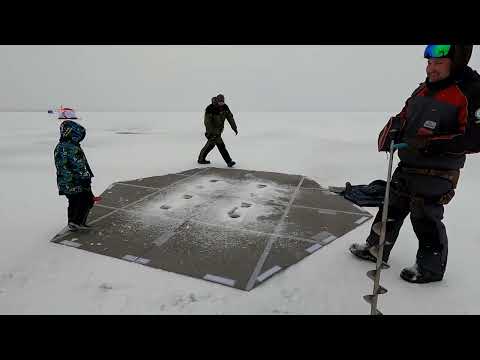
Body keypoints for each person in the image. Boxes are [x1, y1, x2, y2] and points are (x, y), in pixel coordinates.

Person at [350, 45, 480, 284]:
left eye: (438, 63)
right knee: (391, 205)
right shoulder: (423, 90)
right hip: (408, 165)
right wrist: (394, 129)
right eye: (428, 63)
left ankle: (429, 268)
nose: (430, 68)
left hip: (438, 171)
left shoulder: (470, 91)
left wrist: (430, 144)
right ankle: (375, 249)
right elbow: (403, 116)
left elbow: (475, 138)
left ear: (456, 62)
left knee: (424, 215)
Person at [54, 108, 95, 231]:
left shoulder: (60, 146)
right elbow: (79, 165)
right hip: (76, 181)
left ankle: (72, 222)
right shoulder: (72, 148)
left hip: (64, 182)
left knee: (73, 201)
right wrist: (85, 179)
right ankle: (78, 222)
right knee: (86, 201)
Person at [198, 94, 238, 167]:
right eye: (220, 102)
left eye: (223, 102)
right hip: (212, 131)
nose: (221, 104)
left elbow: (230, 118)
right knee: (221, 145)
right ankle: (229, 161)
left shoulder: (225, 107)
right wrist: (211, 133)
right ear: (217, 101)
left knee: (211, 145)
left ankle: (201, 159)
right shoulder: (210, 108)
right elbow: (207, 123)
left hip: (218, 131)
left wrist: (234, 128)